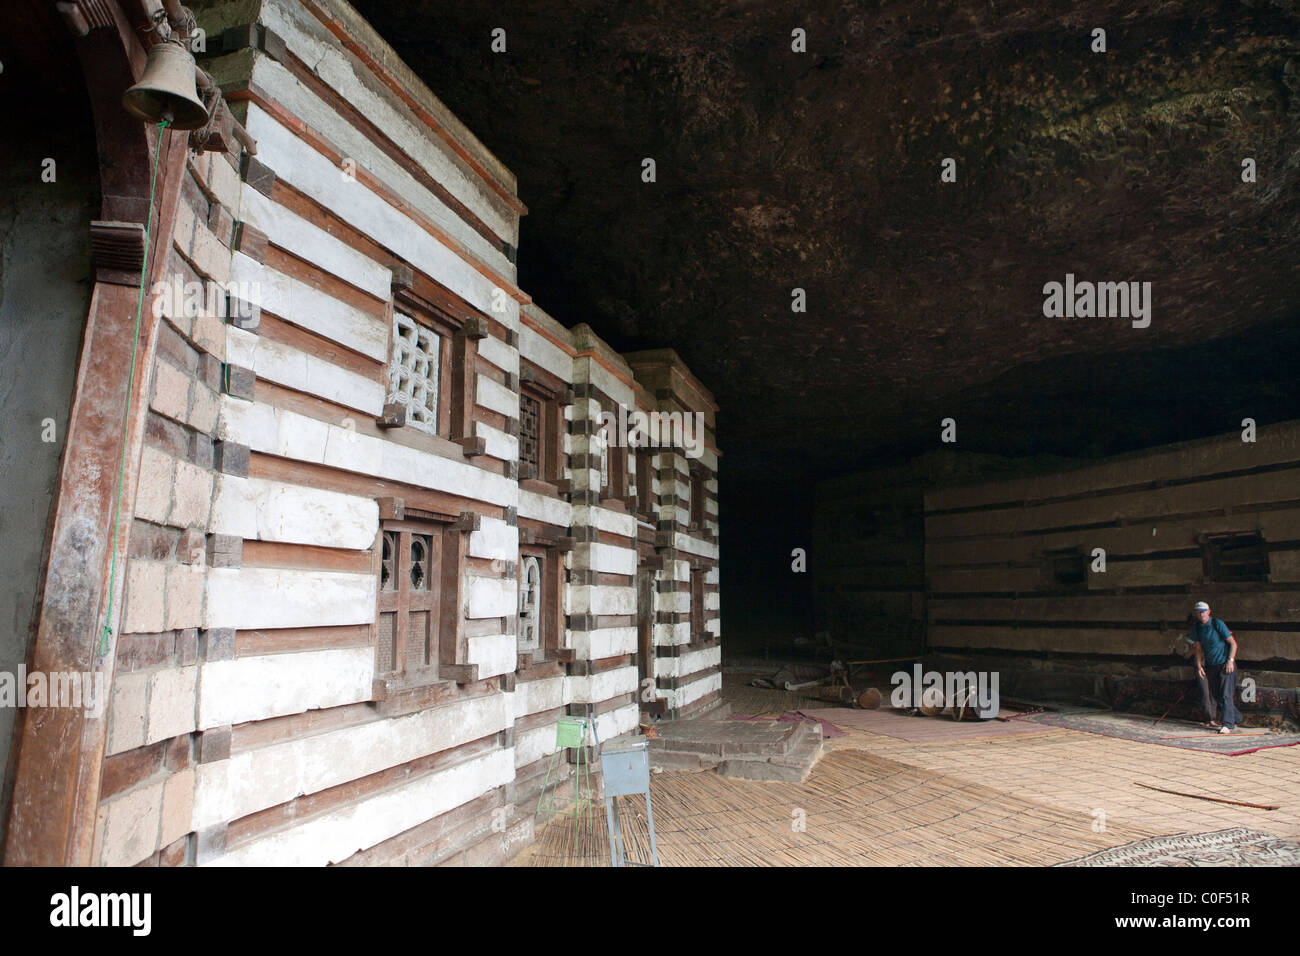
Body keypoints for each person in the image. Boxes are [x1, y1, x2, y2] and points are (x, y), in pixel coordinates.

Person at [1188, 601, 1241, 734]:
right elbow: (1198, 648)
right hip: (1211, 665)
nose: (1201, 614)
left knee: (1225, 694)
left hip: (1225, 663)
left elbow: (1233, 644)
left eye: (1204, 611)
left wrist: (1230, 661)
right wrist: (1199, 665)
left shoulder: (1217, 624)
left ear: (1209, 611)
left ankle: (1228, 725)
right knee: (1217, 695)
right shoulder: (1197, 628)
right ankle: (1238, 718)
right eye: (1199, 611)